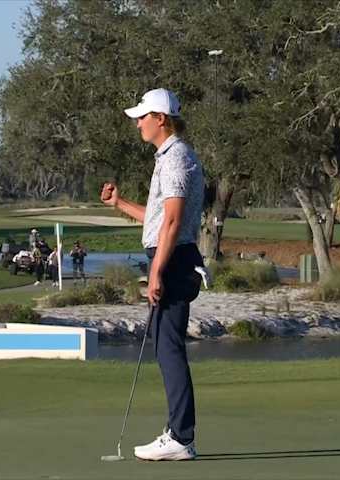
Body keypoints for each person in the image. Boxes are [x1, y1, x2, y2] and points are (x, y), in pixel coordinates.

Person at [101, 88, 204, 461]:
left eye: (143, 117)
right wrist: (119, 204)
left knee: (169, 348)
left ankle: (180, 437)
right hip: (170, 258)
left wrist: (157, 272)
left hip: (174, 261)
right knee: (165, 347)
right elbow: (159, 219)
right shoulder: (166, 157)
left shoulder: (177, 158)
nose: (138, 123)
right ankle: (178, 433)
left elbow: (174, 222)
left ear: (161, 118)